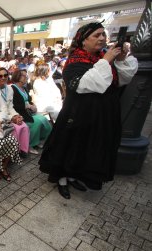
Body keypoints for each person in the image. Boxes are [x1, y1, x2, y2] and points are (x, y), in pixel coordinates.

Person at [38, 22, 138, 199]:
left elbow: (120, 81)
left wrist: (119, 60)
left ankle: (73, 175)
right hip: (77, 115)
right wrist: (106, 61)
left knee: (85, 147)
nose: (101, 38)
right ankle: (61, 179)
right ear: (83, 41)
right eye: (96, 35)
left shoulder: (103, 58)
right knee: (70, 146)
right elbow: (84, 85)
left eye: (103, 35)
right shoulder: (74, 61)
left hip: (100, 116)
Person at [11, 70, 52, 154]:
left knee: (44, 120)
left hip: (29, 112)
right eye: (25, 76)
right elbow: (14, 105)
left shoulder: (24, 88)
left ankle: (40, 139)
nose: (27, 78)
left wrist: (33, 106)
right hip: (20, 114)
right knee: (36, 122)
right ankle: (30, 144)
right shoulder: (12, 88)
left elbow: (29, 101)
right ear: (18, 77)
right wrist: (26, 106)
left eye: (27, 76)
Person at [0, 67, 30, 157]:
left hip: (9, 114)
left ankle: (21, 150)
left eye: (5, 75)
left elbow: (10, 106)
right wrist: (12, 118)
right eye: (0, 76)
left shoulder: (9, 89)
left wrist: (16, 115)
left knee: (24, 126)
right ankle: (12, 153)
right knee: (16, 128)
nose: (3, 77)